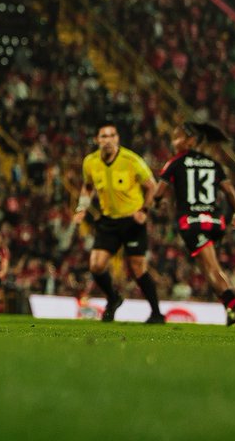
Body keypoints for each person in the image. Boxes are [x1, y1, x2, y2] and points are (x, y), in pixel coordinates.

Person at [155, 121, 235, 329]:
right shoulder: (213, 163)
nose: (174, 142)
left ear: (191, 140)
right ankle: (230, 311)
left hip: (192, 223)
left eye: (178, 137)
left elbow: (158, 193)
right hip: (215, 222)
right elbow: (230, 192)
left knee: (212, 269)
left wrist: (157, 202)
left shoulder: (175, 162)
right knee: (207, 271)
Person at [73, 121, 164, 323]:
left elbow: (152, 186)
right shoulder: (90, 162)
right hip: (109, 221)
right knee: (96, 265)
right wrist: (81, 208)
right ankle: (113, 298)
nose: (108, 140)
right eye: (103, 136)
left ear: (118, 139)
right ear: (97, 140)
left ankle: (157, 313)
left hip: (132, 220)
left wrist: (144, 210)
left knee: (138, 267)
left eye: (112, 135)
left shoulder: (131, 160)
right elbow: (88, 187)